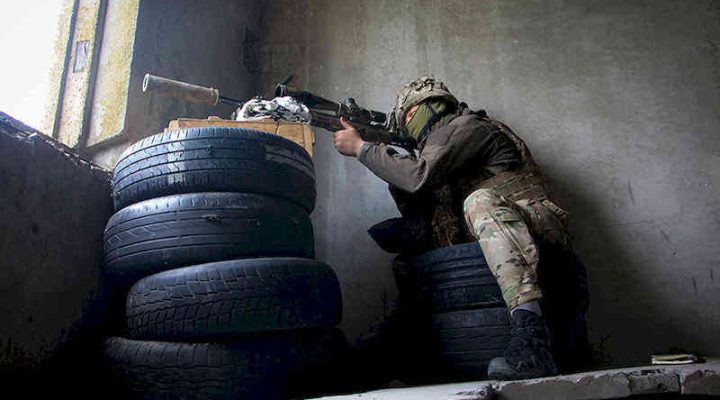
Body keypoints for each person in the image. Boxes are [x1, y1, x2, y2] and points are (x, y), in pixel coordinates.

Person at [332, 76, 583, 380]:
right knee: (408, 246)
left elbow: (417, 177)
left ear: (433, 106)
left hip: (536, 227)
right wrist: (390, 161)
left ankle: (532, 337)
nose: (409, 124)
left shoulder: (468, 127)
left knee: (480, 201)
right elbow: (419, 207)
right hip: (491, 237)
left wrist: (362, 148)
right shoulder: (441, 154)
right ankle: (398, 351)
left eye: (411, 115)